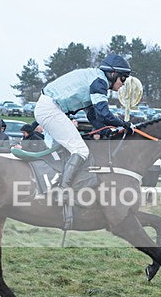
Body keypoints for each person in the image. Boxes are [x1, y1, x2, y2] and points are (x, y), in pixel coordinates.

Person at [33, 54, 133, 198]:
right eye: (123, 78)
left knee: (65, 150)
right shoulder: (99, 83)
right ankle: (62, 190)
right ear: (113, 74)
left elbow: (93, 116)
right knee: (80, 150)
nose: (123, 83)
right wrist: (124, 124)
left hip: (50, 108)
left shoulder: (95, 78)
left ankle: (51, 184)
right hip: (51, 109)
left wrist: (107, 131)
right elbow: (104, 114)